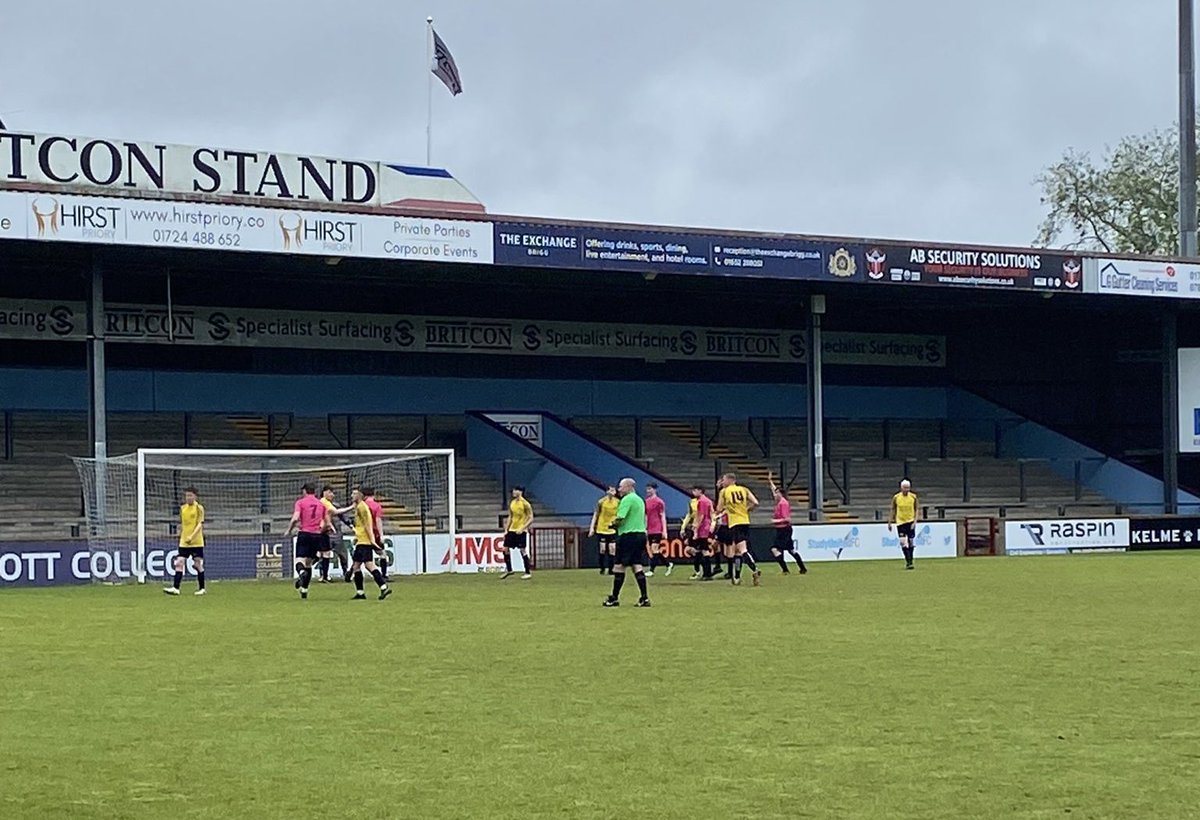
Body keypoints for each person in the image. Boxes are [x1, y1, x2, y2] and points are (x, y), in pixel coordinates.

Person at [603, 478, 651, 607]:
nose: (619, 489)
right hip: (640, 534)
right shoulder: (639, 500)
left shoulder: (627, 499)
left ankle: (614, 598)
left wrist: (612, 525)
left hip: (628, 535)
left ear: (629, 487)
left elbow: (620, 518)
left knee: (619, 566)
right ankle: (644, 597)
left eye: (621, 487)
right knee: (637, 565)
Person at [283, 482, 331, 600]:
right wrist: (320, 531)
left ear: (305, 491)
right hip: (316, 535)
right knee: (309, 563)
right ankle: (304, 590)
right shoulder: (321, 504)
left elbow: (295, 518)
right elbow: (328, 524)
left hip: (304, 533)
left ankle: (301, 573)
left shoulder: (300, 502)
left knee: (300, 560)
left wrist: (289, 530)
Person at [717, 473, 761, 586]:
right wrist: (746, 509)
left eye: (724, 480)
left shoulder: (724, 491)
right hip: (745, 521)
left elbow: (719, 508)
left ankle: (755, 569)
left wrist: (725, 510)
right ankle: (736, 577)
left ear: (729, 480)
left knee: (742, 550)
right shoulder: (744, 489)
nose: (723, 482)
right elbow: (756, 502)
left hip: (735, 523)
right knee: (737, 551)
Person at [347, 488, 392, 600]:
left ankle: (383, 586)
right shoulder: (360, 506)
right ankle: (361, 592)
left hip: (364, 541)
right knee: (357, 566)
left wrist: (372, 540)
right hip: (362, 540)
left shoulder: (362, 507)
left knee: (368, 565)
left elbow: (368, 525)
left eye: (354, 494)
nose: (352, 495)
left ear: (360, 495)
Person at [164, 487, 206, 596]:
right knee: (179, 563)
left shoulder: (199, 508)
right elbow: (184, 524)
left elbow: (199, 524)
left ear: (195, 496)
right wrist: (182, 535)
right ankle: (176, 588)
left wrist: (192, 536)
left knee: (197, 565)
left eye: (190, 496)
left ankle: (202, 588)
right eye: (187, 496)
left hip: (196, 541)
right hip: (184, 542)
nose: (188, 498)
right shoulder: (183, 508)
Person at [768, 473, 807, 575]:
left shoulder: (783, 504)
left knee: (775, 549)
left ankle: (785, 570)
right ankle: (802, 568)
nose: (774, 495)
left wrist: (776, 521)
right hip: (783, 529)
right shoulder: (780, 501)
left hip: (784, 529)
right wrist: (770, 481)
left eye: (776, 493)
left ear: (780, 494)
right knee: (790, 550)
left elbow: (787, 519)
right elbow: (774, 490)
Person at [319, 485, 355, 583]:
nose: (332, 495)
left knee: (342, 554)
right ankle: (323, 575)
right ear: (324, 493)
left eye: (332, 493)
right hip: (326, 533)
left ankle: (346, 573)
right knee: (323, 555)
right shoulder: (321, 504)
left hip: (337, 534)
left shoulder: (335, 505)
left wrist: (350, 525)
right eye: (330, 492)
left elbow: (342, 516)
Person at [682, 485, 716, 580]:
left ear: (700, 491)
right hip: (706, 527)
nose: (693, 492)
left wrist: (696, 528)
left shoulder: (701, 501)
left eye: (695, 490)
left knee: (703, 550)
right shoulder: (708, 501)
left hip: (702, 528)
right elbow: (711, 513)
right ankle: (706, 573)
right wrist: (712, 524)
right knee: (702, 550)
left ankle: (707, 574)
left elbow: (700, 516)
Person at [502, 486, 534, 580]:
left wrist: (523, 528)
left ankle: (528, 572)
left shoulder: (525, 504)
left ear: (520, 492)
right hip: (512, 529)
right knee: (505, 549)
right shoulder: (512, 503)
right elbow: (510, 516)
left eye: (515, 490)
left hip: (521, 530)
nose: (513, 492)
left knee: (522, 550)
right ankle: (509, 569)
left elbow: (531, 518)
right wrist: (506, 529)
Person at [888, 479, 920, 570]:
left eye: (908, 488)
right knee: (902, 542)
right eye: (905, 488)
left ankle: (910, 561)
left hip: (910, 521)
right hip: (900, 522)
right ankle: (908, 560)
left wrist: (915, 521)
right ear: (901, 488)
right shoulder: (896, 497)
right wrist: (890, 522)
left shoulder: (913, 497)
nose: (906, 489)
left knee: (911, 541)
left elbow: (917, 509)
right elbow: (893, 509)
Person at [588, 485, 619, 575]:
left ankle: (611, 569)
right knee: (602, 549)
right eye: (611, 490)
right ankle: (602, 568)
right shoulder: (601, 502)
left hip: (611, 528)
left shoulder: (618, 502)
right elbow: (596, 514)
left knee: (612, 549)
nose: (612, 492)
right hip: (602, 528)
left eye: (614, 490)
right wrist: (592, 528)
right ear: (607, 491)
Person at [644, 482, 672, 577]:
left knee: (654, 548)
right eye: (647, 489)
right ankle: (668, 564)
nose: (648, 491)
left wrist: (664, 530)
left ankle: (651, 570)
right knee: (655, 550)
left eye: (650, 489)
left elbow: (662, 516)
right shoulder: (646, 501)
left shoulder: (659, 502)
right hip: (650, 528)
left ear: (655, 489)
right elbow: (646, 515)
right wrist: (645, 527)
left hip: (657, 528)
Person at [361, 486, 388, 581]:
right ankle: (384, 575)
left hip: (364, 534)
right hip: (374, 533)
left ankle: (351, 573)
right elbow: (378, 520)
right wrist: (381, 535)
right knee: (382, 554)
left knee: (360, 558)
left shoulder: (362, 505)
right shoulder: (376, 506)